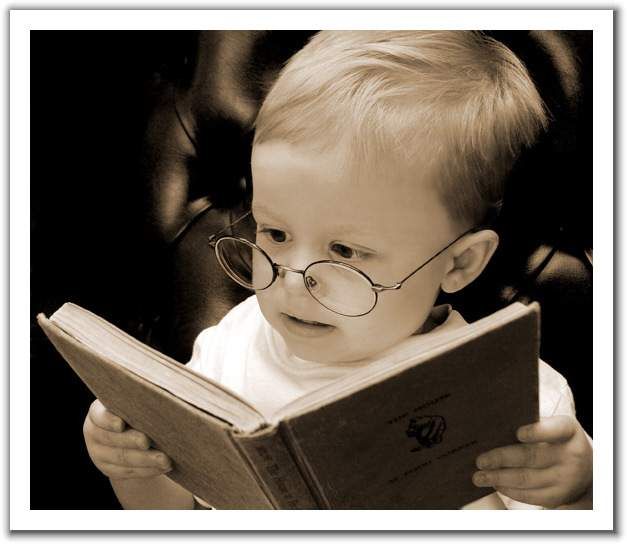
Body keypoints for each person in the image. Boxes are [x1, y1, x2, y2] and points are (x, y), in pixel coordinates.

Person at [82, 31, 592, 510]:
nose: (292, 277)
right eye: (275, 235)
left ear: (459, 262)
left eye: (346, 251)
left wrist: (578, 493)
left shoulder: (513, 399)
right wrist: (133, 465)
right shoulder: (231, 346)